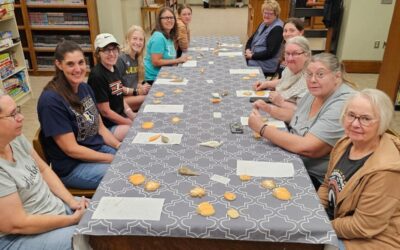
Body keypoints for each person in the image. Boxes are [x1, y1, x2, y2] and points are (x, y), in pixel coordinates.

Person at [248, 53, 356, 190]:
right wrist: (268, 108)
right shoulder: (316, 92)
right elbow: (297, 116)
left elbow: (308, 147)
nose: (313, 80)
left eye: (320, 74)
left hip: (313, 178)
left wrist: (262, 128)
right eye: (309, 74)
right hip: (293, 156)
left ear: (337, 76)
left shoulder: (344, 104)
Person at [0, 93, 88, 250]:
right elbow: (18, 224)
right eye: (13, 114)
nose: (21, 117)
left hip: (52, 209)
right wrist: (72, 220)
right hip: (18, 236)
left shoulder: (15, 138)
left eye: (18, 110)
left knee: (103, 216)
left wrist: (71, 201)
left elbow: (43, 169)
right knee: (90, 239)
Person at [318, 89, 400, 250]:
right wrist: (312, 213)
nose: (355, 124)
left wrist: (318, 226)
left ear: (382, 122)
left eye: (365, 119)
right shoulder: (345, 142)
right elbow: (328, 184)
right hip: (338, 220)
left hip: (374, 240)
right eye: (351, 115)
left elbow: (363, 226)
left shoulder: (387, 170)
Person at [37, 40, 120, 189]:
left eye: (81, 62)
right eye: (70, 64)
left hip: (95, 149)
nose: (78, 69)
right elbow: (71, 149)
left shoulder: (84, 88)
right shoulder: (51, 101)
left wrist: (119, 146)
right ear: (59, 64)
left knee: (133, 160)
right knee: (123, 174)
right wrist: (112, 158)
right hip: (73, 167)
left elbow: (100, 127)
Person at [88, 33, 135, 141]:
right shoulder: (97, 76)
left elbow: (119, 96)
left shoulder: (114, 68)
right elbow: (106, 112)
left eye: (114, 49)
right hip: (106, 127)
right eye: (106, 50)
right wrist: (129, 122)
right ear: (98, 53)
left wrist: (130, 113)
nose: (112, 54)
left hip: (119, 117)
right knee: (134, 133)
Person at [253, 36, 310, 115]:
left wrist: (282, 103)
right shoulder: (290, 69)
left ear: (307, 55)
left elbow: (306, 112)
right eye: (287, 53)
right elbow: (285, 81)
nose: (290, 58)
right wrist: (266, 84)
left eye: (295, 54)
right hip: (276, 109)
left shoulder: (311, 78)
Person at [144, 7, 188, 84]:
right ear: (159, 21)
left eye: (171, 17)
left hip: (165, 73)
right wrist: (178, 60)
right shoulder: (158, 37)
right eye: (166, 18)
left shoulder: (169, 35)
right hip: (155, 78)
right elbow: (156, 62)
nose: (169, 20)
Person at [116, 25, 151, 112]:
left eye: (141, 39)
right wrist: (137, 91)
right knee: (150, 99)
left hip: (132, 95)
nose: (138, 42)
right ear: (127, 39)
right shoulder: (121, 58)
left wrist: (142, 87)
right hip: (120, 99)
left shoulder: (137, 57)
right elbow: (116, 88)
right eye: (134, 38)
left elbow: (132, 81)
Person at [245, 0, 283, 77]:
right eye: (265, 13)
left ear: (276, 14)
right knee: (239, 60)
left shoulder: (277, 29)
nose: (266, 15)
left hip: (266, 64)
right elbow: (250, 40)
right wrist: (247, 50)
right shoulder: (263, 23)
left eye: (270, 13)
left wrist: (252, 56)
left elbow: (270, 53)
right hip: (255, 57)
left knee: (241, 64)